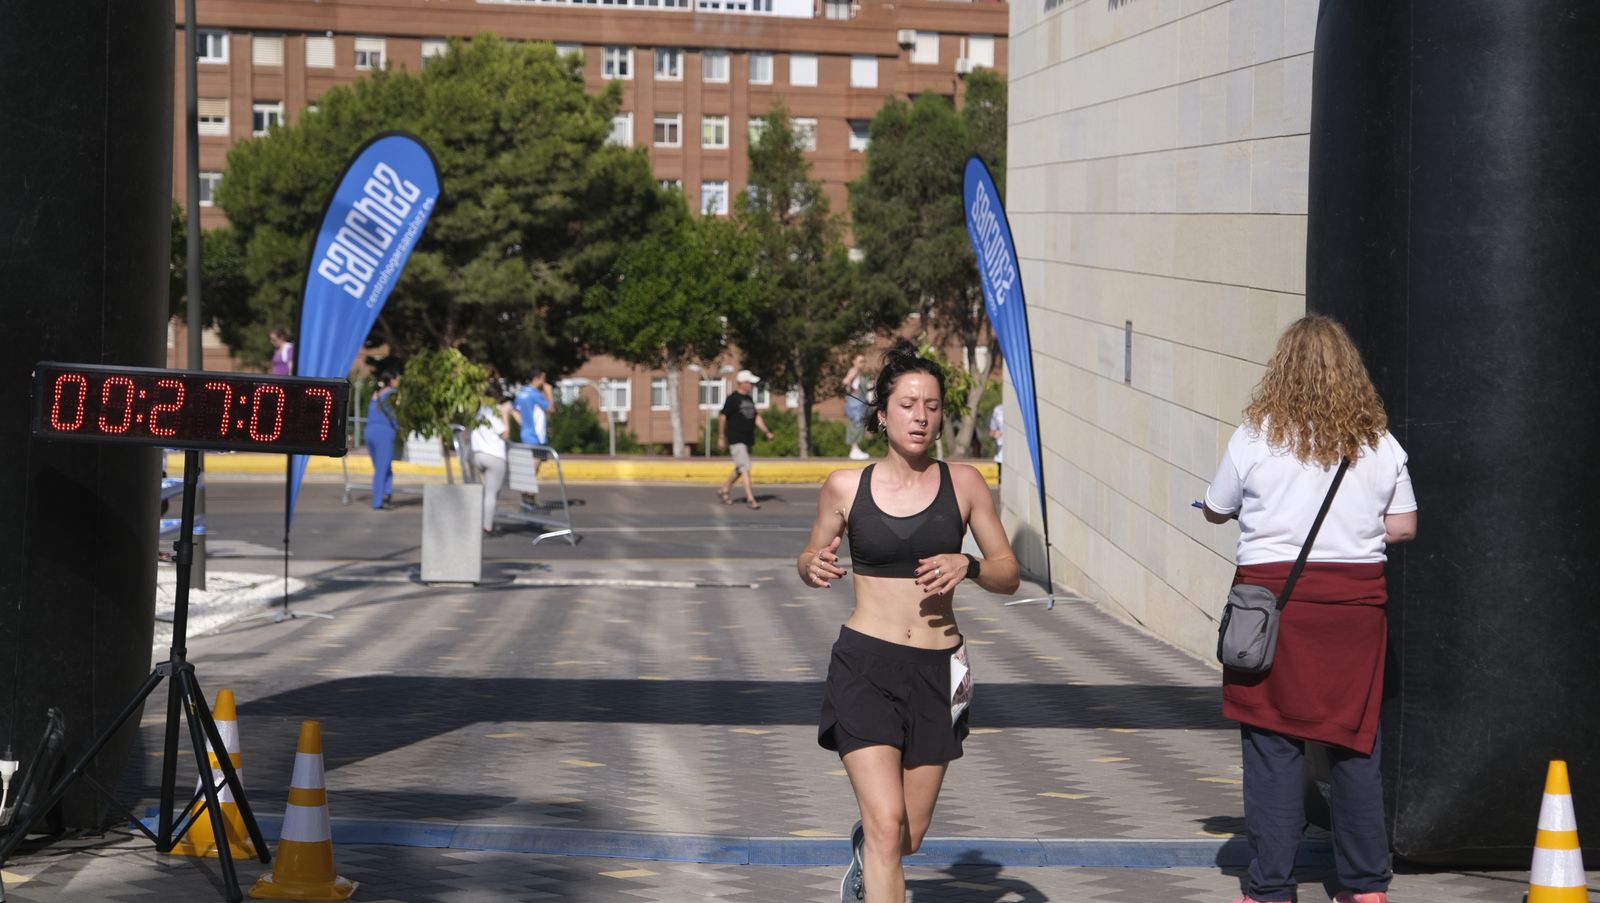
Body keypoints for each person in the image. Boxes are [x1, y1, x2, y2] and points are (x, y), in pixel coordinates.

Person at [1201, 315, 1418, 903]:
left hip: (1273, 608)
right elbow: (1403, 526)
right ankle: (1366, 888)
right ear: (1351, 372)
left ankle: (1271, 888)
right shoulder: (1379, 443)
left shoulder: (1256, 436)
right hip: (1353, 613)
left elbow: (1218, 507)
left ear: (1282, 370)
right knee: (1353, 743)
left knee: (1272, 747)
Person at [797, 340, 1020, 903]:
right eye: (908, 404)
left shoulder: (965, 484)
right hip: (865, 664)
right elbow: (808, 557)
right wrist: (812, 564)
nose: (921, 416)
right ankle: (873, 856)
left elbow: (1008, 573)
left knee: (909, 836)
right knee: (886, 824)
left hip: (941, 669)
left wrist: (967, 563)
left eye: (933, 405)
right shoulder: (845, 487)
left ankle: (867, 858)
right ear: (882, 412)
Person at [717, 369, 773, 509]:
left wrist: (766, 431)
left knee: (740, 468)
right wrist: (721, 437)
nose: (752, 385)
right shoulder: (732, 399)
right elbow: (723, 417)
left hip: (748, 438)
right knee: (746, 468)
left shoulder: (748, 399)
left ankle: (725, 489)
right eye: (749, 382)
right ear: (742, 383)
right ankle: (750, 499)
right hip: (736, 438)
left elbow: (756, 417)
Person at [471, 384, 514, 536]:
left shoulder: (478, 411)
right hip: (494, 456)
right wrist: (506, 414)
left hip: (478, 454)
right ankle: (487, 526)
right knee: (491, 494)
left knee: (482, 492)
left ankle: (479, 521)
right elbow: (505, 433)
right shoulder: (493, 412)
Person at [513, 371, 553, 511]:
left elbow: (514, 410)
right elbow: (551, 408)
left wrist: (524, 424)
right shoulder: (535, 394)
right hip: (537, 436)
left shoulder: (523, 392)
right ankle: (528, 497)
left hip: (526, 434)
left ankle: (527, 496)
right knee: (534, 466)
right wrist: (549, 392)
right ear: (538, 379)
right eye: (543, 379)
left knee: (532, 465)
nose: (545, 382)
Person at [365, 373, 399, 510]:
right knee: (382, 468)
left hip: (369, 431)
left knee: (384, 466)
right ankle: (378, 501)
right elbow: (394, 415)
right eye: (397, 379)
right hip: (384, 432)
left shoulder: (376, 395)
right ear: (391, 380)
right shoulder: (393, 394)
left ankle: (388, 492)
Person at [843, 353, 871, 461]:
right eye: (860, 361)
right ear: (854, 362)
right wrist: (850, 387)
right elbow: (845, 381)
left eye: (864, 361)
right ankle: (854, 449)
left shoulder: (860, 373)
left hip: (860, 401)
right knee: (856, 425)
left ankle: (856, 448)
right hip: (855, 401)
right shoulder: (854, 371)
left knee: (859, 425)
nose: (862, 364)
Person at [987, 403, 1004, 480]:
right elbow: (992, 432)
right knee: (1001, 479)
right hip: (1001, 453)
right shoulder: (998, 410)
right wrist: (995, 434)